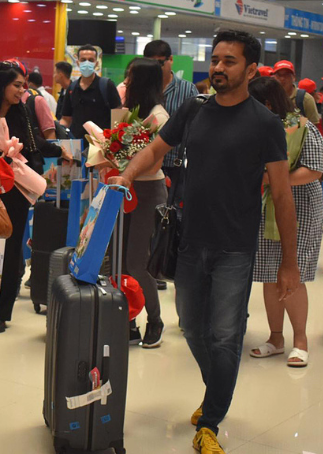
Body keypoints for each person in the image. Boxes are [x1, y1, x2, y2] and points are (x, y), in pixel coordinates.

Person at [109, 30, 300, 454]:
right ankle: (217, 391)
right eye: (215, 60)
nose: (217, 68)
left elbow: (283, 195)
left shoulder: (265, 124)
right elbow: (155, 149)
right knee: (193, 327)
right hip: (190, 241)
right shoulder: (194, 111)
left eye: (229, 62)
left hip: (236, 246)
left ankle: (210, 419)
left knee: (225, 335)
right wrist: (125, 172)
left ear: (251, 70)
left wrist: (289, 263)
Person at [0, 62, 65, 333]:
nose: (22, 90)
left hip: (15, 192)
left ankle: (2, 312)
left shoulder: (22, 113)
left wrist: (61, 151)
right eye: (17, 85)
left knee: (11, 250)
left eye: (23, 85)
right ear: (1, 85)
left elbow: (37, 145)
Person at [247, 77, 323, 368]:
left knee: (292, 274)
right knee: (268, 272)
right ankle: (275, 338)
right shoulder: (256, 127)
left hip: (300, 208)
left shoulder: (301, 126)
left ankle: (300, 340)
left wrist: (277, 180)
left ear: (267, 103)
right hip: (265, 207)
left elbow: (315, 170)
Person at [120, 58, 170, 348]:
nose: (126, 82)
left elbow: (153, 165)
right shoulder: (131, 114)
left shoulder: (158, 117)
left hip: (148, 193)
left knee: (138, 263)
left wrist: (125, 165)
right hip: (124, 192)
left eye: (130, 77)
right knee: (118, 262)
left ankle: (155, 320)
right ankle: (127, 318)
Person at [143, 40, 198, 195]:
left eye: (160, 63)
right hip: (146, 165)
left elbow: (194, 126)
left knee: (175, 213)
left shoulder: (187, 90)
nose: (156, 68)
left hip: (175, 165)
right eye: (151, 63)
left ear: (171, 60)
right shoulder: (142, 90)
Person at [61, 44, 122, 138]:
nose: (87, 63)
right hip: (77, 143)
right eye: (83, 60)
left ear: (96, 63)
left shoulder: (106, 85)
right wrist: (59, 131)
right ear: (78, 63)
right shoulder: (72, 88)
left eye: (91, 60)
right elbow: (66, 118)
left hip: (102, 143)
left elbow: (118, 116)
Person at [272, 60, 321, 124]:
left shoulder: (305, 99)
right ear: (273, 78)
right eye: (279, 75)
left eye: (286, 75)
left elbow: (314, 127)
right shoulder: (269, 97)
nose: (282, 78)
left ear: (294, 77)